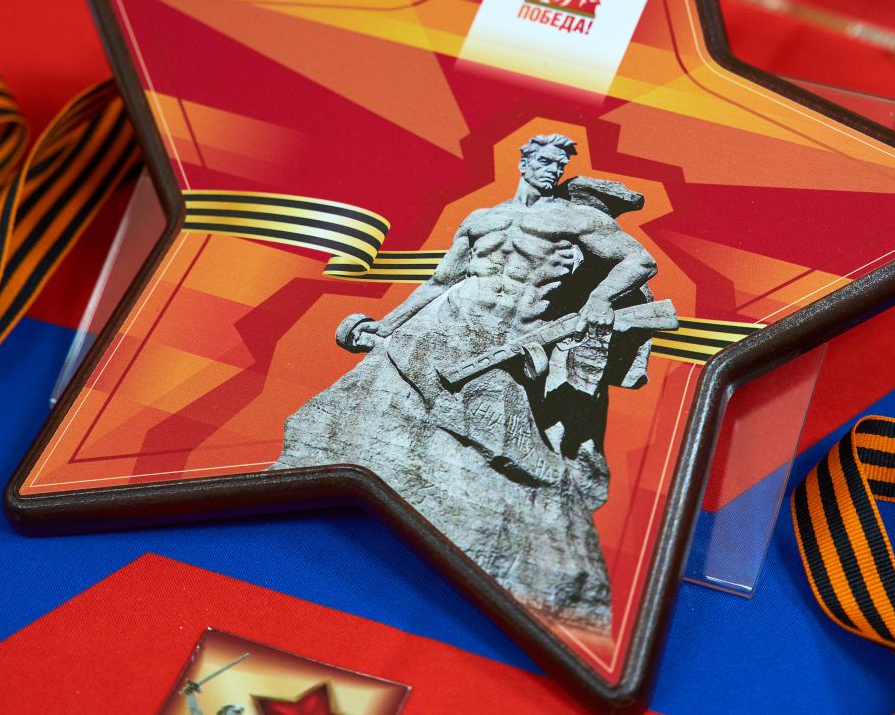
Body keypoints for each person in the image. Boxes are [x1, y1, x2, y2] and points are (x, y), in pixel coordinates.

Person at [274, 134, 669, 631]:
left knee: (510, 453)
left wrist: (598, 300)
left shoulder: (575, 219)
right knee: (341, 419)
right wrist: (387, 327)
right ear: (523, 162)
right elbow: (440, 282)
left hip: (500, 345)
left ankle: (531, 567)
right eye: (544, 160)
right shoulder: (481, 218)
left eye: (559, 163)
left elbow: (640, 262)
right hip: (438, 327)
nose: (551, 169)